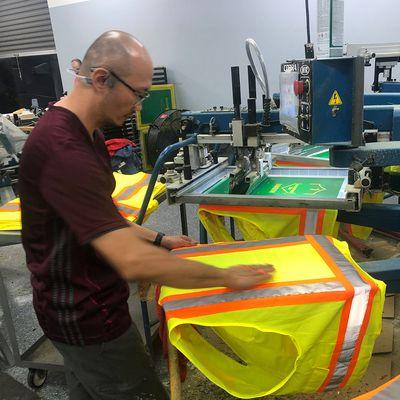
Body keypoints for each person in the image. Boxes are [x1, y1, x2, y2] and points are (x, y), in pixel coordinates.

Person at [18, 31, 274, 400]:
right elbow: (134, 263)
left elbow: (100, 216)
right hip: (87, 316)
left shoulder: (85, 134)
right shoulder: (64, 149)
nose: (139, 106)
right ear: (102, 78)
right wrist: (225, 277)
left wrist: (160, 239)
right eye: (138, 94)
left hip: (73, 308)